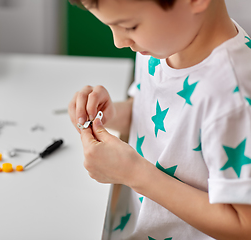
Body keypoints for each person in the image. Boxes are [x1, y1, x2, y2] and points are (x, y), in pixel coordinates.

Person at [68, 0, 251, 239]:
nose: (119, 42)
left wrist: (134, 174)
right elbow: (156, 115)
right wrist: (109, 114)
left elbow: (244, 225)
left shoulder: (233, 96)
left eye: (129, 26)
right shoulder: (162, 46)